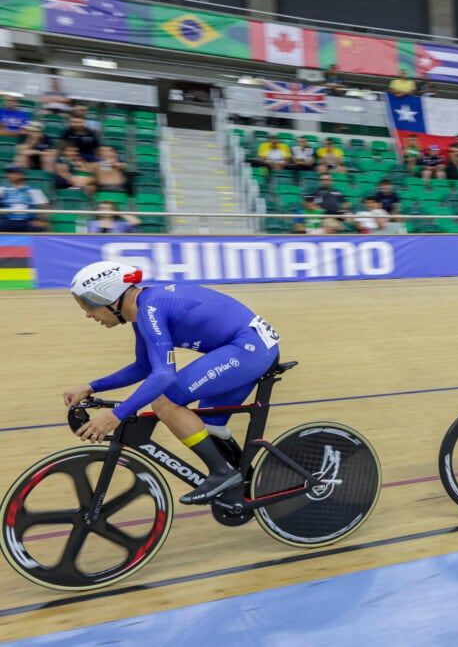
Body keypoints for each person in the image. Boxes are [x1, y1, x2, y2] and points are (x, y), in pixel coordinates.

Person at [63, 261, 281, 504]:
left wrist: (118, 415)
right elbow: (143, 367)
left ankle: (223, 474)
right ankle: (248, 483)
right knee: (206, 426)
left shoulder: (150, 310)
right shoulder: (143, 311)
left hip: (248, 349)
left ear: (109, 297)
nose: (88, 314)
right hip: (248, 348)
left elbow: (164, 375)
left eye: (88, 305)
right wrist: (92, 387)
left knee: (165, 402)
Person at [0, 165, 49, 231]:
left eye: (14, 173)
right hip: (7, 220)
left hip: (27, 221)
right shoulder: (2, 189)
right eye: (9, 173)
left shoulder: (33, 190)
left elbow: (44, 206)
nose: (11, 175)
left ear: (22, 175)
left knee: (39, 227)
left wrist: (41, 220)